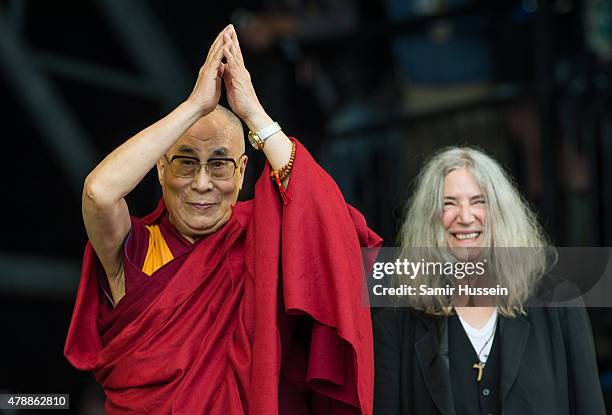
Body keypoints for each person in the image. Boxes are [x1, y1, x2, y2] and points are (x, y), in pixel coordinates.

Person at [64, 24, 381, 414]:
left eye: (218, 164)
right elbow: (99, 192)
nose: (201, 184)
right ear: (161, 169)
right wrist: (195, 105)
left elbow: (332, 233)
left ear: (242, 171)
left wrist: (254, 113)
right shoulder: (136, 248)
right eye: (184, 163)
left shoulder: (261, 238)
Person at [373, 147, 606, 414]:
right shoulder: (394, 325)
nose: (465, 216)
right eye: (449, 203)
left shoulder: (561, 303)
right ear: (430, 220)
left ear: (501, 214)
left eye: (478, 201)